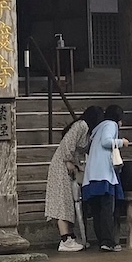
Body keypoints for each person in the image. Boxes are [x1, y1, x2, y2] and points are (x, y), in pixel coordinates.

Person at [46, 106, 102, 252]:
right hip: (61, 166)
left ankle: (70, 236)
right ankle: (65, 239)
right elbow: (68, 144)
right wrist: (68, 161)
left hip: (67, 165)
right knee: (62, 201)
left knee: (68, 202)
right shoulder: (82, 125)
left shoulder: (83, 127)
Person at [82, 105, 129, 252]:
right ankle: (108, 241)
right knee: (107, 208)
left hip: (92, 175)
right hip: (104, 174)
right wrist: (122, 142)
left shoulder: (96, 130)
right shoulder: (111, 124)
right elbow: (106, 142)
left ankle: (102, 240)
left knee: (97, 210)